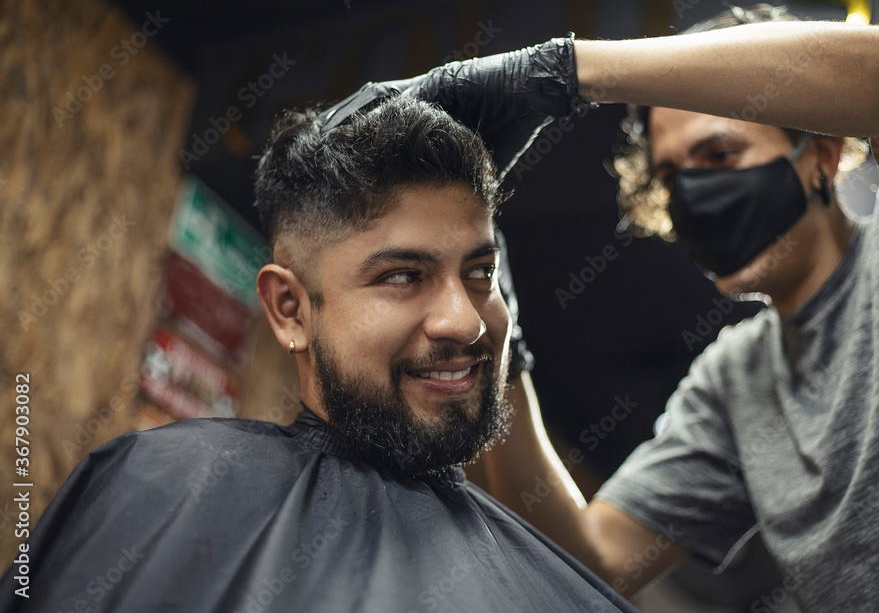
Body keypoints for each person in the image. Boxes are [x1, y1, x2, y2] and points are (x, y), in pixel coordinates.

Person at [0, 93, 636, 611]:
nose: (465, 322)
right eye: (404, 275)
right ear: (290, 310)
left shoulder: (571, 589)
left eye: (480, 272)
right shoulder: (155, 487)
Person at [474, 5, 879, 611]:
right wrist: (492, 334)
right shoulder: (736, 382)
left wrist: (565, 68)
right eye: (671, 177)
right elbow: (589, 562)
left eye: (720, 155)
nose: (694, 196)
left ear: (821, 156)